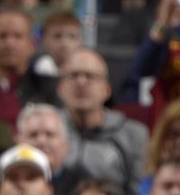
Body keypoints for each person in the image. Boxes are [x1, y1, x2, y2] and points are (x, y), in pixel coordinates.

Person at [58, 48, 148, 195]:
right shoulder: (44, 130)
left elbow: (139, 190)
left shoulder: (134, 134)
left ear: (107, 90)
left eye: (90, 76)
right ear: (60, 88)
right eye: (73, 76)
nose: (81, 82)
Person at [17, 103, 89, 194]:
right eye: (33, 135)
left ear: (65, 145)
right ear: (19, 143)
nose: (41, 141)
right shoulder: (3, 181)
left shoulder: (84, 185)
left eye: (50, 134)